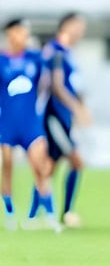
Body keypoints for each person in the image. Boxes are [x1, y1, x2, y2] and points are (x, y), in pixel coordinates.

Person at [1, 19, 58, 232]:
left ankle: (49, 215)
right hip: (6, 123)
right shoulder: (1, 60)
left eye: (26, 33)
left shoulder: (35, 58)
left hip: (30, 124)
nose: (24, 37)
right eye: (20, 33)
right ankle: (9, 213)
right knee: (6, 167)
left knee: (41, 166)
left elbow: (51, 67)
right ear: (10, 34)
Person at [42, 12, 92, 229]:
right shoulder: (55, 52)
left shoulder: (67, 53)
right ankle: (66, 212)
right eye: (80, 26)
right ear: (68, 26)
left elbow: (73, 85)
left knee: (49, 166)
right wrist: (78, 109)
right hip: (54, 117)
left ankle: (38, 213)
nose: (82, 31)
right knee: (76, 162)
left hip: (64, 118)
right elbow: (57, 86)